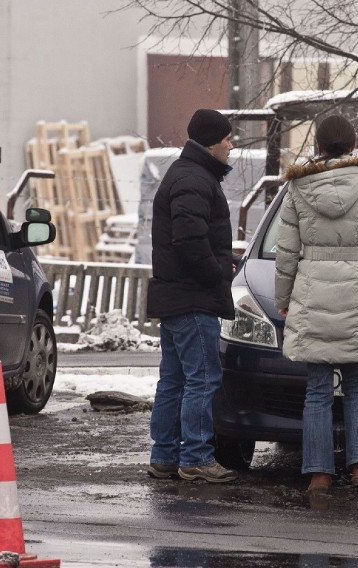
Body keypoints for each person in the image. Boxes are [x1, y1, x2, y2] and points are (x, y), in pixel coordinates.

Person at [274, 115, 358, 494]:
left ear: (318, 145)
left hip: (313, 288)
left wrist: (284, 300)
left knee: (317, 388)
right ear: (352, 143)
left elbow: (285, 253)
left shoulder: (297, 188)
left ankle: (319, 475)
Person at [145, 109, 238, 483]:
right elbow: (188, 238)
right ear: (212, 142)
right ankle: (196, 456)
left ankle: (165, 455)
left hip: (176, 296)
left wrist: (222, 259)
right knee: (202, 378)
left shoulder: (188, 175)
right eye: (228, 139)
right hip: (192, 298)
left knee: (174, 380)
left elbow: (191, 235)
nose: (231, 147)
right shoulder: (194, 179)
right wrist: (216, 274)